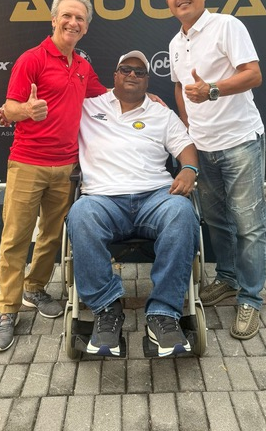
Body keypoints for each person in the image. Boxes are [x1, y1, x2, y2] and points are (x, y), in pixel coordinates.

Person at [0, 0, 107, 352]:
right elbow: (8, 108)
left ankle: (35, 289)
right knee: (15, 240)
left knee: (52, 237)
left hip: (67, 167)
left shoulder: (83, 66)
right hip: (28, 163)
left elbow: (103, 96)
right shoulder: (32, 59)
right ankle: (7, 310)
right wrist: (26, 111)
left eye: (80, 19)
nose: (73, 23)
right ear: (54, 20)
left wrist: (143, 97)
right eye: (67, 16)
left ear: (86, 27)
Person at [66, 51, 200, 358]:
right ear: (114, 75)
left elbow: (186, 147)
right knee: (80, 214)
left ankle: (163, 314)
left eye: (140, 73)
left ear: (147, 81)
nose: (132, 75)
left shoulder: (161, 113)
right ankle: (106, 310)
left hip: (154, 197)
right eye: (125, 69)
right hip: (102, 198)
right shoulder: (88, 106)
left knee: (181, 212)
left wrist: (190, 169)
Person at [164, 0, 266, 341]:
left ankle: (251, 298)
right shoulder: (176, 43)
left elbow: (253, 74)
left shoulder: (227, 25)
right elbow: (179, 87)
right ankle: (227, 278)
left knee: (248, 224)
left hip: (239, 140)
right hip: (203, 147)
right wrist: (187, 124)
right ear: (169, 2)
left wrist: (212, 90)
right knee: (217, 220)